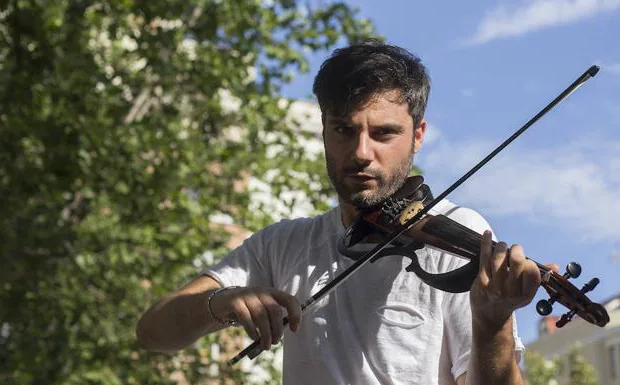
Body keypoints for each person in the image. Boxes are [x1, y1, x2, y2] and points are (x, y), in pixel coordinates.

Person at [136, 41, 542, 385]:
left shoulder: (457, 235)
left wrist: (492, 321)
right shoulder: (283, 244)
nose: (362, 153)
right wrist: (219, 302)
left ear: (418, 135)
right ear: (324, 132)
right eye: (344, 130)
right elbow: (153, 331)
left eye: (384, 133)